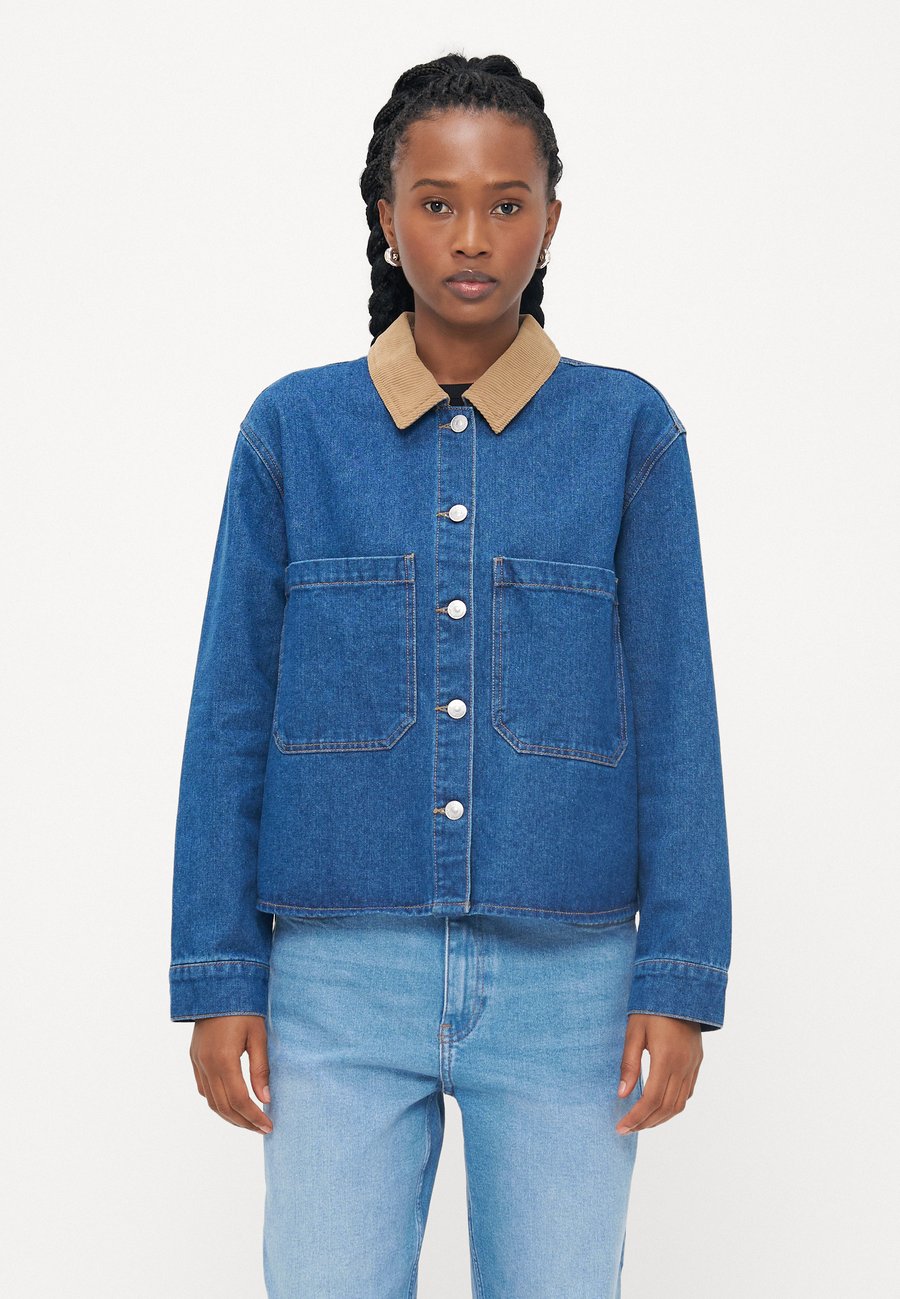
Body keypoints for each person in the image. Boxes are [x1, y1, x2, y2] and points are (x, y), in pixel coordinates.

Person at [169, 52, 732, 1299]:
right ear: (385, 215)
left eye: (505, 203)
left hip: (571, 986)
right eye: (436, 202)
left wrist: (681, 979)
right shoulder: (293, 433)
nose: (472, 236)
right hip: (335, 980)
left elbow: (678, 713)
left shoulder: (628, 433)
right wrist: (218, 973)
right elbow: (231, 712)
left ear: (551, 220)